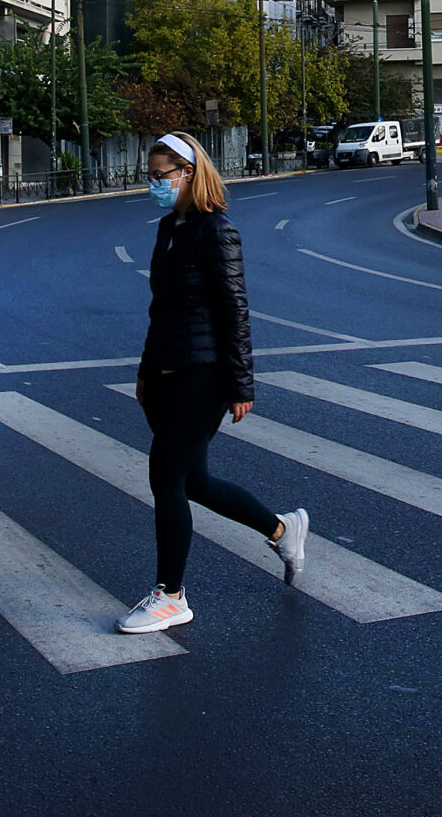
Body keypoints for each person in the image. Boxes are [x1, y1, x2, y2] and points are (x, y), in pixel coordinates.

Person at [118, 131, 308, 634]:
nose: (155, 184)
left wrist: (241, 385)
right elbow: (159, 309)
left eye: (162, 176)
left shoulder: (216, 230)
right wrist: (144, 370)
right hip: (164, 370)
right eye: (150, 176)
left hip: (204, 374)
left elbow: (234, 311)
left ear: (189, 173)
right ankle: (282, 529)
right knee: (194, 481)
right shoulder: (167, 229)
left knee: (165, 478)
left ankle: (171, 595)